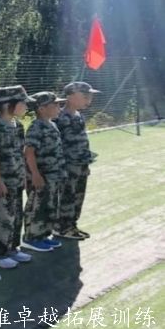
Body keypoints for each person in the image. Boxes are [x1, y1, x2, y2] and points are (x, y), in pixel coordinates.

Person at [0, 86, 35, 269]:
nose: (26, 107)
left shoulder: (18, 125)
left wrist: (24, 175)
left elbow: (21, 152)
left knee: (16, 216)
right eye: (23, 103)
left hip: (16, 179)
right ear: (8, 104)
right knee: (2, 217)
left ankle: (12, 247)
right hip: (3, 181)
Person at [54, 81, 101, 240]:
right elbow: (55, 144)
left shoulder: (79, 116)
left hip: (81, 163)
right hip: (68, 165)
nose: (89, 99)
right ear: (70, 96)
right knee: (67, 196)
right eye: (85, 95)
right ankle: (62, 227)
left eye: (90, 96)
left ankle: (72, 225)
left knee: (78, 196)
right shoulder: (59, 117)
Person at [21, 91, 66, 253]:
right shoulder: (36, 127)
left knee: (49, 205)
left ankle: (43, 235)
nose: (59, 108)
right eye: (55, 105)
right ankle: (31, 238)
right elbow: (29, 152)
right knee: (37, 207)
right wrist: (35, 174)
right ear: (41, 108)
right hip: (42, 175)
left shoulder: (51, 124)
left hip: (53, 175)